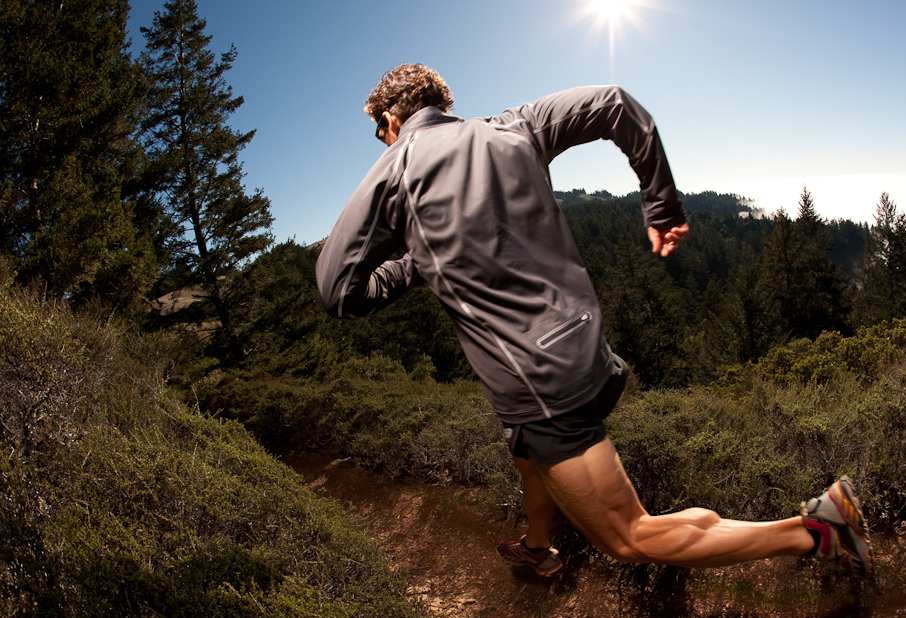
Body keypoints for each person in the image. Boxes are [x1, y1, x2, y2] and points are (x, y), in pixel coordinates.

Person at [315, 63, 873, 580]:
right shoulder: (516, 127)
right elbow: (614, 103)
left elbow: (337, 291)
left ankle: (817, 531)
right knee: (526, 456)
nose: (383, 141)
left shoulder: (396, 167)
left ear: (390, 118)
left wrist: (413, 261)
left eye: (379, 132)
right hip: (582, 344)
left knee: (630, 536)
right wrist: (661, 205)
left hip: (540, 382)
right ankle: (537, 548)